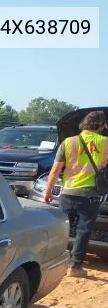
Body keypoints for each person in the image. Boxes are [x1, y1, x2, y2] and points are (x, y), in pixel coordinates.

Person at [43, 110, 108, 278]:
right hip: (91, 195)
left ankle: (54, 263)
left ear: (84, 124)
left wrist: (48, 191)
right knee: (83, 231)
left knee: (62, 230)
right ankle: (75, 267)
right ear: (101, 126)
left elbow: (55, 170)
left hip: (68, 193)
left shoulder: (68, 142)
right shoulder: (106, 143)